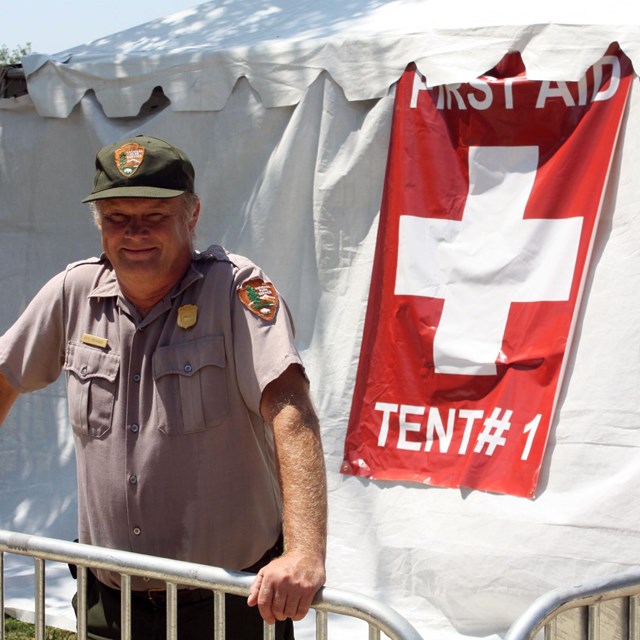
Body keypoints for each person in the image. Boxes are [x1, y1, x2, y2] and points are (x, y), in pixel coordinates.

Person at [0, 135, 327, 639]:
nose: (134, 233)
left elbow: (291, 412)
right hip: (109, 603)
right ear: (99, 224)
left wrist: (304, 550)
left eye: (154, 216)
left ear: (191, 216)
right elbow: (4, 374)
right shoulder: (74, 292)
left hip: (226, 602)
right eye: (116, 218)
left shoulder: (235, 291)